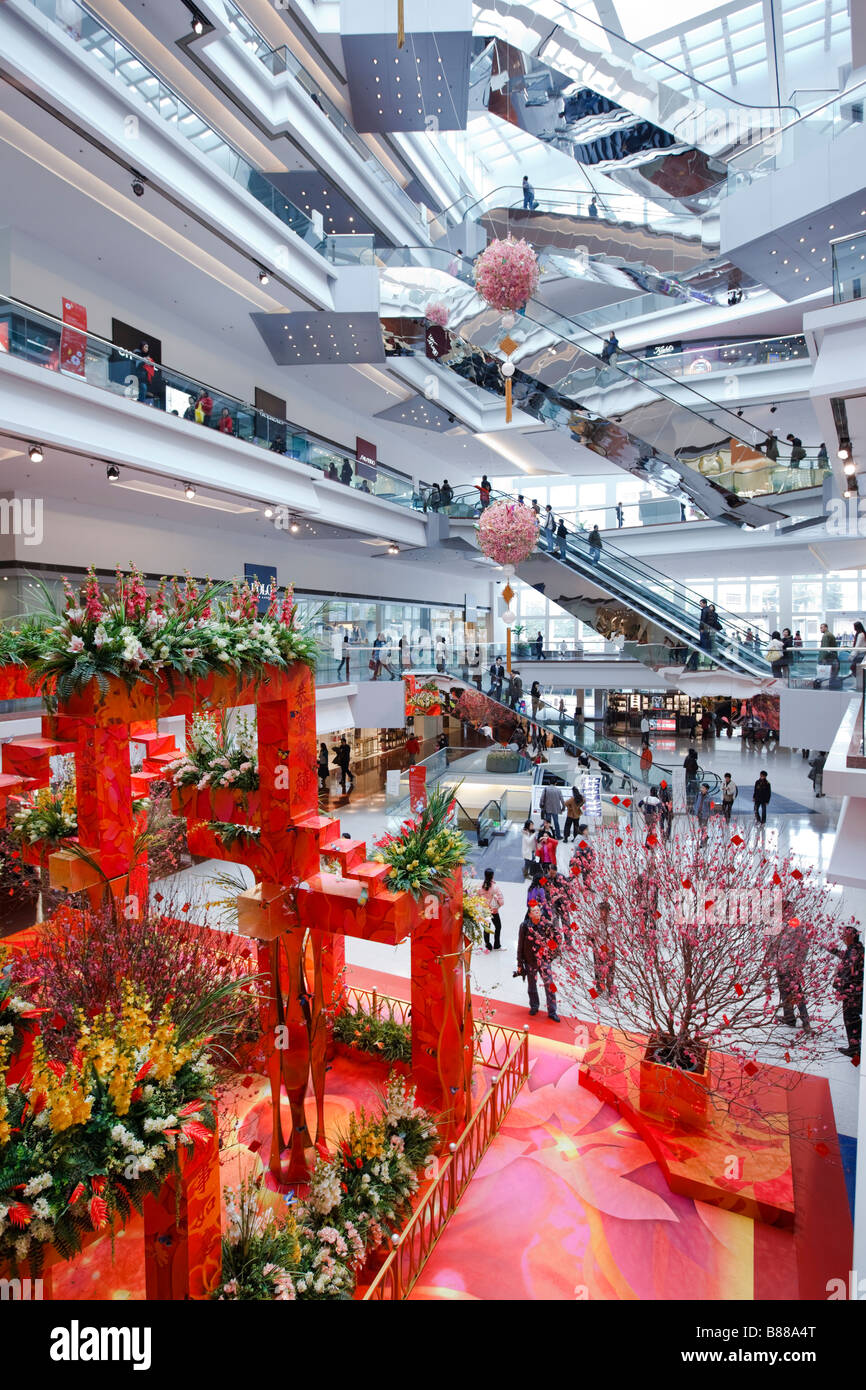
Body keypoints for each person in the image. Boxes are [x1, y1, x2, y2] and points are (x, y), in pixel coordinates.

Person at [516, 901, 560, 1021]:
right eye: (534, 911)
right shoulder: (524, 926)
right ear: (529, 914)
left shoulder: (547, 925)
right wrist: (520, 963)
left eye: (538, 910)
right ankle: (534, 1006)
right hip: (530, 960)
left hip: (544, 960)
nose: (537, 912)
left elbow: (556, 940)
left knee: (550, 985)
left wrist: (549, 955)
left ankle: (552, 1011)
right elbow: (520, 946)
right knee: (531, 986)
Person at [831, 925, 864, 1058]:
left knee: (851, 1018)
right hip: (856, 990)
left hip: (851, 992)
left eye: (845, 935)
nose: (843, 937)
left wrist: (839, 985)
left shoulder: (853, 951)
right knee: (855, 1017)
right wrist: (834, 951)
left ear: (852, 936)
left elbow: (847, 970)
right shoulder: (858, 948)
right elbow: (846, 956)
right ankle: (857, 1045)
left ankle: (854, 1049)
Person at [775, 919, 811, 1033]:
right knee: (785, 992)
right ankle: (789, 1017)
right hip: (782, 965)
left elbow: (804, 947)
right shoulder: (781, 926)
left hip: (791, 966)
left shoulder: (797, 927)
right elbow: (776, 945)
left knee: (797, 994)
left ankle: (806, 1022)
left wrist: (799, 965)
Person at [589, 900, 614, 995]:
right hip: (598, 949)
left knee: (610, 971)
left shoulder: (612, 922)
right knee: (598, 969)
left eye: (605, 910)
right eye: (601, 910)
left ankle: (610, 989)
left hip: (609, 949)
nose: (603, 912)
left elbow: (614, 936)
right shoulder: (596, 921)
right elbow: (592, 933)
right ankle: (599, 987)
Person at [479, 868, 504, 950]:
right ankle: (497, 945)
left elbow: (477, 897)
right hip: (494, 911)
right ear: (492, 876)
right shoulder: (495, 887)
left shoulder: (481, 886)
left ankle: (488, 944)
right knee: (498, 926)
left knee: (487, 927)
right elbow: (501, 901)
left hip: (485, 910)